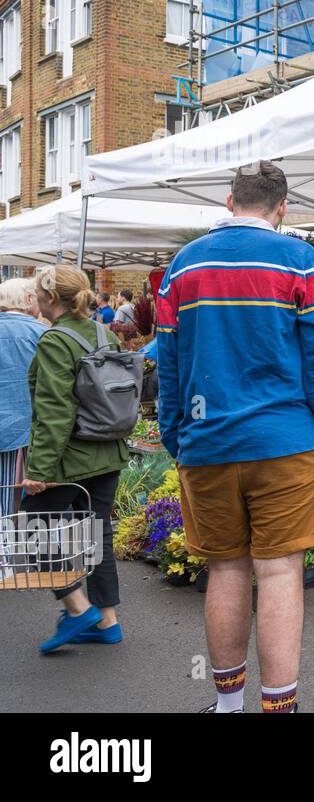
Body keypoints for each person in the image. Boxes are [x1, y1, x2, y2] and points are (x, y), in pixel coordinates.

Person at [155, 161, 314, 714]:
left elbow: (169, 360)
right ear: (282, 208)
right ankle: (279, 709)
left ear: (230, 199)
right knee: (280, 571)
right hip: (285, 440)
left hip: (207, 439)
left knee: (226, 569)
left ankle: (226, 705)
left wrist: (175, 433)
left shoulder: (182, 267)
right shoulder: (300, 260)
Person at [19, 266, 129, 652]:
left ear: (50, 299)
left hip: (71, 459)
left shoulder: (55, 341)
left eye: (36, 293)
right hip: (108, 450)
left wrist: (39, 471)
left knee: (29, 529)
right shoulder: (106, 334)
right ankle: (108, 621)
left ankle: (78, 607)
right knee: (99, 532)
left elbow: (54, 413)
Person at [0, 278, 46, 522]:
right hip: (31, 428)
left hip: (8, 426)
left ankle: (4, 555)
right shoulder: (42, 333)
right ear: (29, 300)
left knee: (3, 503)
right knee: (38, 502)